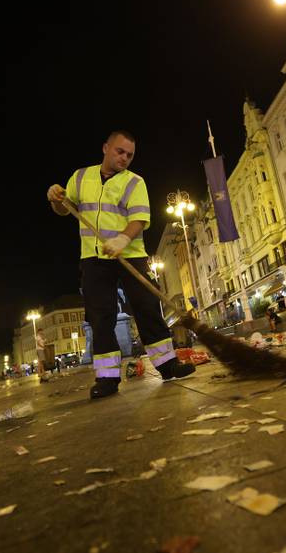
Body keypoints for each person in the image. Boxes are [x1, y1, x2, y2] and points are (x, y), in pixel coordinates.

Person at [47, 130, 195, 399]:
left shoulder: (135, 182)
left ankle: (167, 364)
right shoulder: (80, 177)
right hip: (93, 258)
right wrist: (55, 197)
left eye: (130, 155)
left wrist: (122, 239)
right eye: (120, 151)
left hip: (130, 254)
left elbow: (139, 218)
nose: (125, 158)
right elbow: (64, 208)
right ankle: (107, 378)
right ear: (106, 148)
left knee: (147, 306)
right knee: (100, 316)